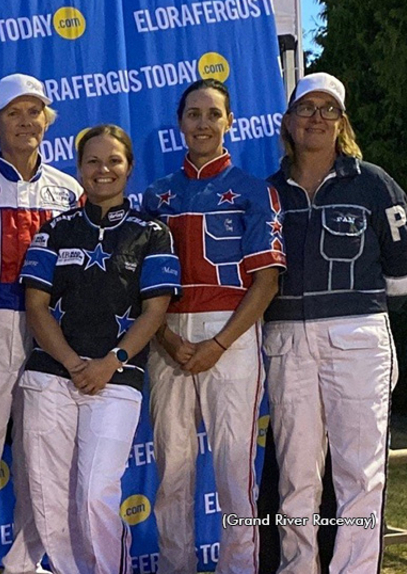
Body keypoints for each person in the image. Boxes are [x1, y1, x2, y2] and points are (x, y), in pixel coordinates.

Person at [264, 72, 407, 574]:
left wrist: (354, 310)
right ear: (289, 121)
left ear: (341, 121)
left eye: (327, 109)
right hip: (286, 338)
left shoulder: (373, 183)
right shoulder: (268, 191)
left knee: (360, 472)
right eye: (306, 108)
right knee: (295, 474)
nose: (316, 118)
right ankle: (298, 567)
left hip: (358, 337)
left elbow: (405, 272)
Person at [19, 125, 180, 573]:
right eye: (92, 161)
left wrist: (111, 362)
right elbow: (36, 306)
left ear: (129, 167)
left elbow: (155, 311)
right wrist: (73, 363)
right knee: (49, 496)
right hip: (52, 375)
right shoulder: (54, 230)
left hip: (118, 377)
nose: (102, 170)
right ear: (79, 168)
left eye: (113, 160)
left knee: (94, 491)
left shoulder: (153, 233)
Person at [143, 78, 286, 574]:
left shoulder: (254, 191)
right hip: (166, 337)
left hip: (232, 333)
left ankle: (239, 568)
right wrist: (164, 336)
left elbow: (266, 282)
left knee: (233, 469)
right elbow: (141, 287)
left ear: (230, 122)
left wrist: (220, 342)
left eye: (213, 114)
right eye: (193, 114)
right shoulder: (156, 196)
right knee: (172, 470)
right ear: (180, 123)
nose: (203, 123)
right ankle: (174, 567)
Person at [0, 73, 82, 574]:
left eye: (35, 112)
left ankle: (26, 561)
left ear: (47, 121)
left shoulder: (69, 190)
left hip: (51, 331)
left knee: (43, 455)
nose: (26, 122)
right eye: (14, 113)